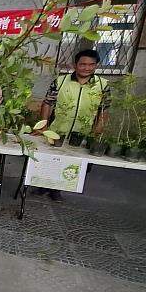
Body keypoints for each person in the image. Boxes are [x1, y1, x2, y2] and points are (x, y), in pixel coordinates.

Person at [38, 49, 110, 201]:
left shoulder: (102, 85)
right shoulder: (61, 81)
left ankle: (56, 187)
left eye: (91, 65)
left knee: (79, 162)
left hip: (83, 131)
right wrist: (43, 125)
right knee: (51, 158)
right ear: (75, 65)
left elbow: (103, 110)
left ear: (96, 66)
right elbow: (47, 103)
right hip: (58, 128)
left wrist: (97, 131)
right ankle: (46, 185)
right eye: (83, 64)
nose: (86, 68)